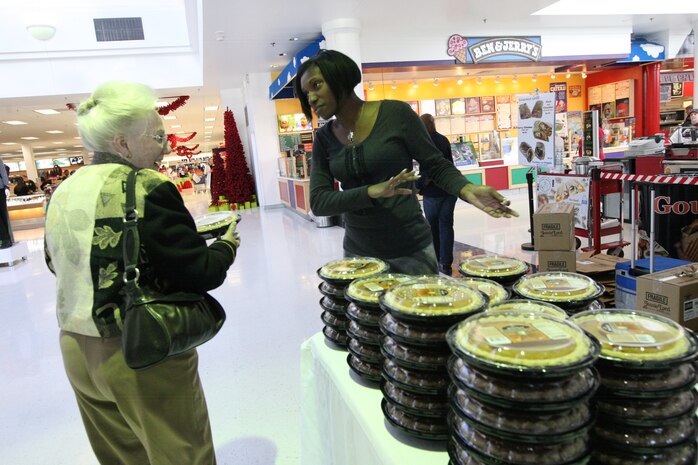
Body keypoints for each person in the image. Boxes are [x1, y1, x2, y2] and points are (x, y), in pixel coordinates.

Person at [44, 80, 241, 465]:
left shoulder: (63, 191)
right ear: (122, 144)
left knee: (122, 456)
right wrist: (225, 246)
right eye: (157, 136)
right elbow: (198, 273)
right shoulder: (147, 186)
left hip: (75, 348)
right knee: (182, 453)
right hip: (138, 349)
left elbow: (56, 262)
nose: (166, 146)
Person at [294, 49, 517, 275]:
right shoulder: (324, 139)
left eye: (316, 85)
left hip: (411, 250)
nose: (311, 98)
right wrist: (371, 191)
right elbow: (319, 202)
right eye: (306, 93)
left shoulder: (396, 114)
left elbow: (435, 164)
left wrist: (465, 188)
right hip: (359, 254)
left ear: (339, 77)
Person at [416, 113, 458, 275]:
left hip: (433, 194)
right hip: (448, 190)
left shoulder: (423, 142)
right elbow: (449, 165)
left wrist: (418, 186)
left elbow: (428, 171)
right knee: (446, 226)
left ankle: (435, 258)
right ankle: (446, 262)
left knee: (433, 227)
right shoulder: (443, 140)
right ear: (433, 124)